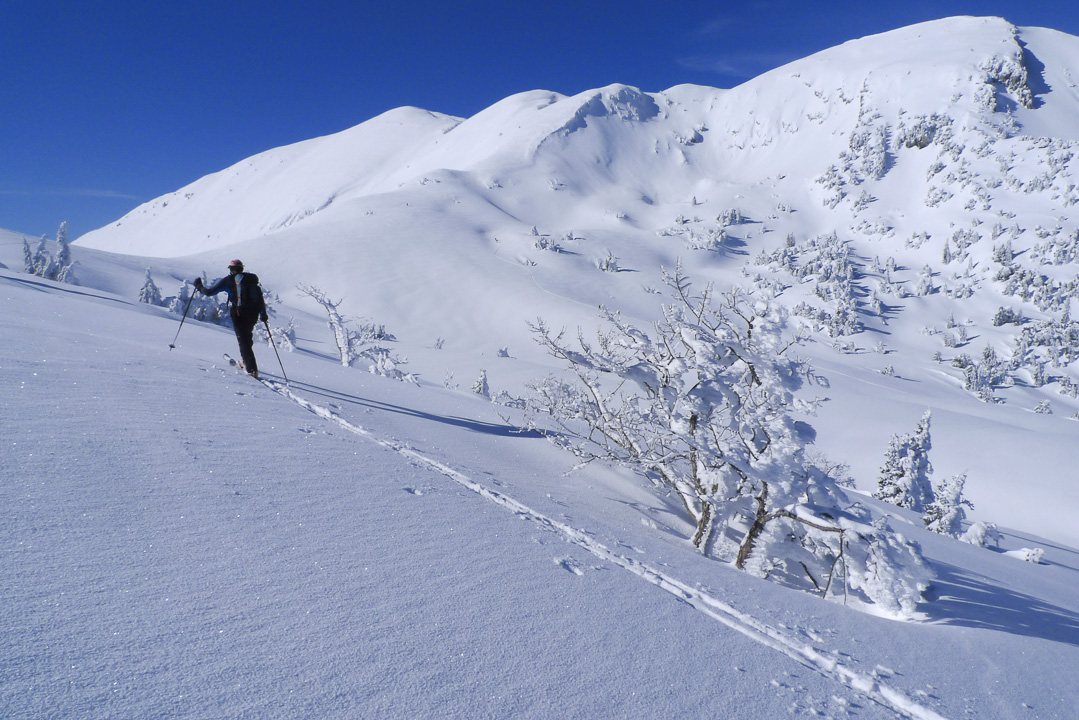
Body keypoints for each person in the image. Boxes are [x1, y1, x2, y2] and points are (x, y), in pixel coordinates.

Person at [193, 259, 268, 378]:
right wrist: (263, 313)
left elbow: (209, 292)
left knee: (243, 340)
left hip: (238, 313)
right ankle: (246, 361)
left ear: (231, 269)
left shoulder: (228, 281)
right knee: (247, 337)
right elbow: (259, 297)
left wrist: (199, 286)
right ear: (242, 268)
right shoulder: (251, 280)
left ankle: (252, 369)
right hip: (253, 313)